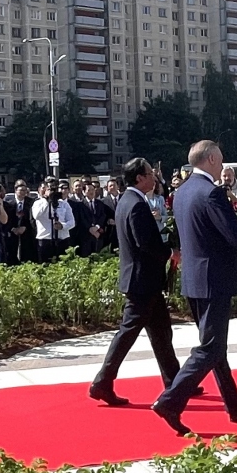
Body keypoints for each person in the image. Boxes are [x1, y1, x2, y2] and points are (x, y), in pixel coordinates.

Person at [151, 140, 237, 435]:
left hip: (194, 279)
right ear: (212, 159)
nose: (222, 164)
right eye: (220, 158)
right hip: (214, 279)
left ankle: (235, 404)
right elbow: (232, 234)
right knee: (211, 348)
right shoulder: (211, 193)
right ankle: (170, 401)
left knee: (215, 347)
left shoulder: (182, 192)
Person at [90, 159, 184, 406]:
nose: (155, 178)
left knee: (161, 332)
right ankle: (103, 381)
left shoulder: (127, 200)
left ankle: (176, 381)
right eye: (150, 174)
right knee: (128, 333)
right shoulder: (137, 204)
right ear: (140, 178)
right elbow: (146, 243)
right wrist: (171, 252)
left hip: (144, 280)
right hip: (142, 281)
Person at [30, 177, 74, 263]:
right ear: (45, 190)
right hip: (45, 240)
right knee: (45, 265)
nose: (53, 192)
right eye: (50, 189)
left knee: (63, 265)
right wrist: (47, 201)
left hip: (62, 239)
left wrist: (62, 226)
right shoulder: (38, 203)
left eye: (55, 189)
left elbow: (72, 222)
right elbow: (36, 216)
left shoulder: (64, 204)